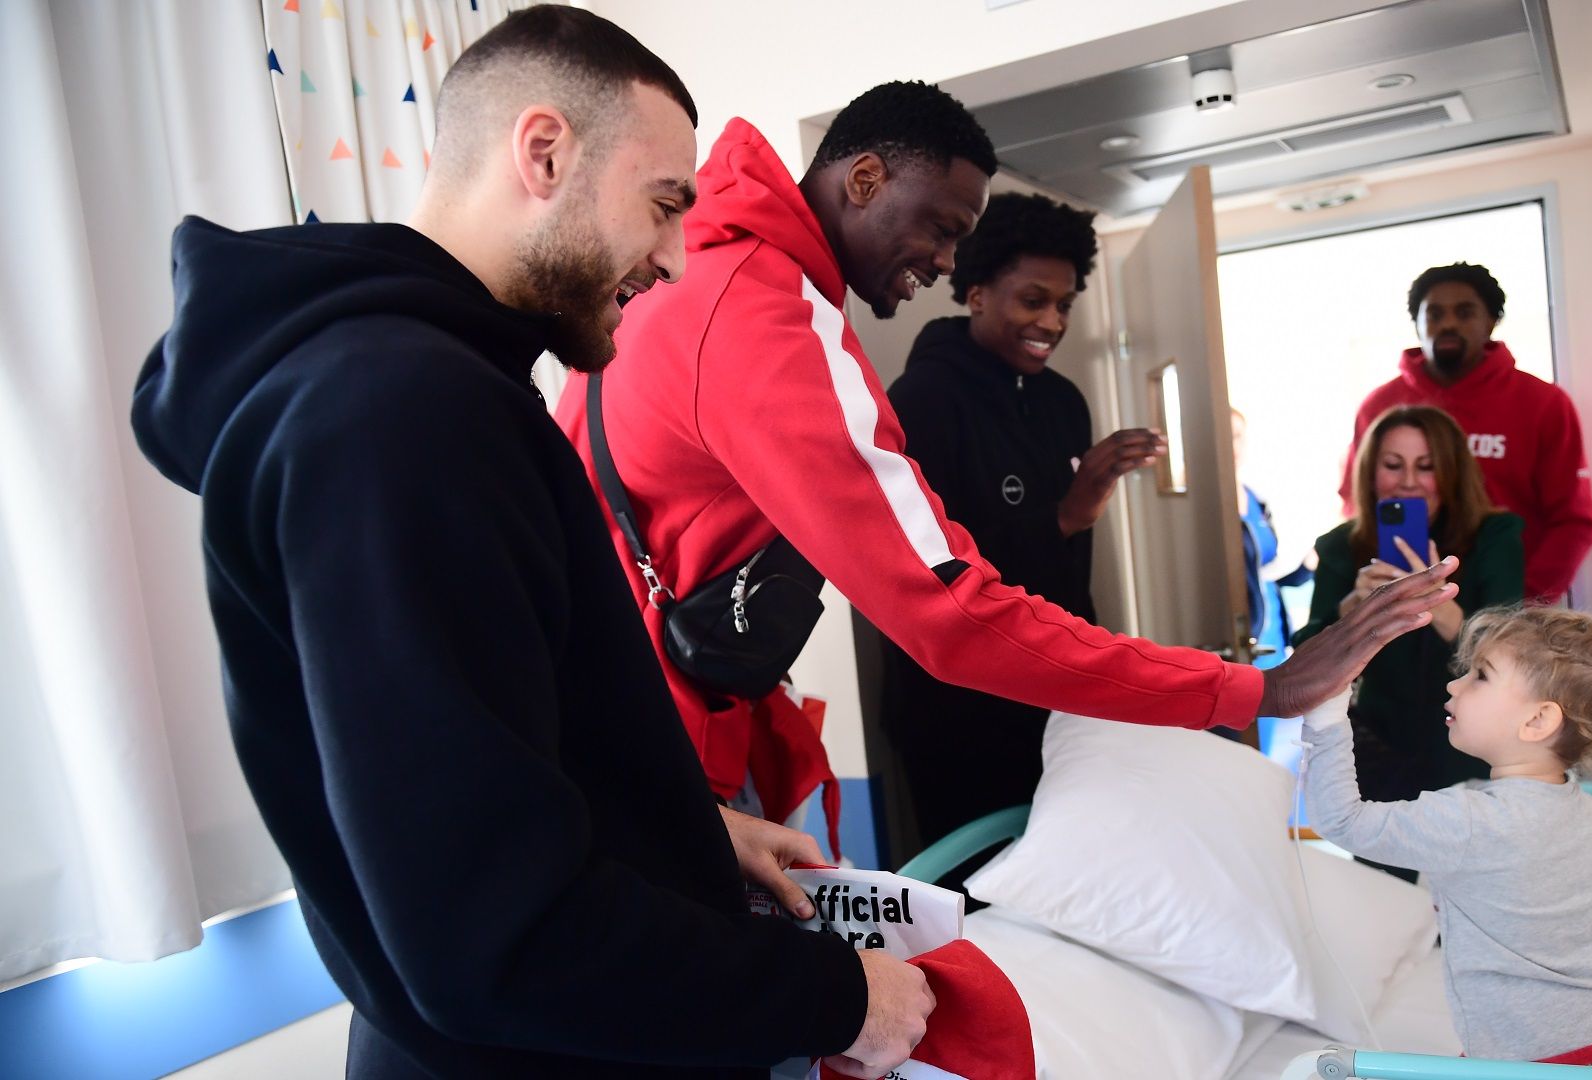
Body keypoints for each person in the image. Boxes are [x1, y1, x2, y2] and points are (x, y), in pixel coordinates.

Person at [128, 10, 934, 1078]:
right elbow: (498, 933)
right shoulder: (402, 414)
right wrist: (837, 998)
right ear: (544, 153)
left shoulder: (425, 390)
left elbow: (486, 764)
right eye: (664, 206)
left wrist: (687, 833)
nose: (674, 259)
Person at [553, 82, 1462, 827]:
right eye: (944, 229)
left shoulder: (695, 271)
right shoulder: (768, 318)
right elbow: (951, 610)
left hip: (612, 705)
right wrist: (1253, 689)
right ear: (864, 179)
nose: (948, 263)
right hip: (663, 739)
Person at [881, 191, 1161, 849]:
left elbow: (1068, 576)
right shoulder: (923, 401)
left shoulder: (1063, 402)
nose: (1052, 322)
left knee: (1081, 878)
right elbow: (926, 573)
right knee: (982, 890)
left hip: (1060, 701)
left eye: (1064, 305)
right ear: (977, 294)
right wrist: (1065, 515)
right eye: (1033, 300)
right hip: (958, 715)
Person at [1302, 607, 1592, 1068]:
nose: (1454, 685)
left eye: (1480, 676)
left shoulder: (1470, 820)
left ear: (1537, 721)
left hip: (1553, 1057)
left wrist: (1327, 717)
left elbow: (1341, 821)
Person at [1297, 406, 1524, 864]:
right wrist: (1352, 610)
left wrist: (1436, 600)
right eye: (1392, 465)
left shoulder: (1494, 537)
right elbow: (1305, 661)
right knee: (1384, 889)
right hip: (1383, 748)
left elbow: (1509, 655)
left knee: (1474, 880)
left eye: (1426, 466)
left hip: (1474, 749)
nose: (1408, 482)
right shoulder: (1341, 547)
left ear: (1451, 472)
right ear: (1370, 472)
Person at [1339, 262, 1592, 603]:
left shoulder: (1543, 403)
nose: (1448, 324)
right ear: (1417, 324)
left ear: (1491, 321)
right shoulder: (1381, 406)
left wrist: (1520, 605)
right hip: (1399, 603)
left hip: (1513, 605)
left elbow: (1573, 521)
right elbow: (1356, 503)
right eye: (1434, 314)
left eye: (1464, 313)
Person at [1231, 408, 1312, 671]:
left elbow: (1264, 576)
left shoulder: (1257, 500)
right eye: (1225, 436)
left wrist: (1307, 565)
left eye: (1238, 436)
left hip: (1274, 642)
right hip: (1240, 647)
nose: (1233, 445)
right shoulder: (1200, 505)